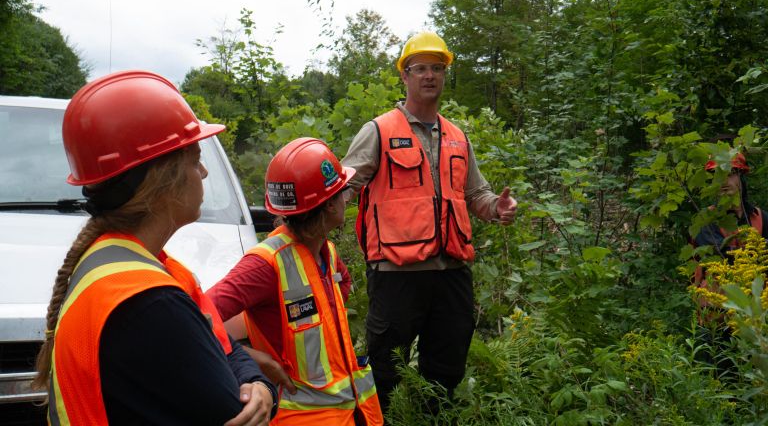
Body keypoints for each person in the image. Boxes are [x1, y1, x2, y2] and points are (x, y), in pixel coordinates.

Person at [33, 70, 277, 425]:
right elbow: (237, 413)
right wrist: (262, 391)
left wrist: (257, 382)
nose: (204, 172)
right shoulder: (150, 302)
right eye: (195, 159)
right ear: (163, 179)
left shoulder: (126, 265)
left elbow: (224, 346)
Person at [340, 31, 518, 412]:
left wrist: (497, 209)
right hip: (395, 273)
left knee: (447, 369)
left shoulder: (457, 137)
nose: (429, 76)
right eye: (419, 68)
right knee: (387, 371)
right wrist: (314, 229)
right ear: (405, 76)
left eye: (437, 68)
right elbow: (344, 187)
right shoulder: (378, 131)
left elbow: (476, 196)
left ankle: (432, 419)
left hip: (451, 272)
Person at [207, 137, 384, 425]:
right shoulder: (265, 264)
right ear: (327, 206)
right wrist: (251, 357)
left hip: (352, 413)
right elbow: (195, 317)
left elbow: (332, 307)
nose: (346, 198)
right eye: (342, 192)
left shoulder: (327, 251)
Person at [690, 152, 767, 375]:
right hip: (715, 320)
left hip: (756, 323)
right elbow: (717, 257)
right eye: (716, 175)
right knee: (717, 382)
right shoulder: (704, 221)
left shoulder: (763, 219)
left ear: (741, 177)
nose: (723, 181)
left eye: (729, 174)